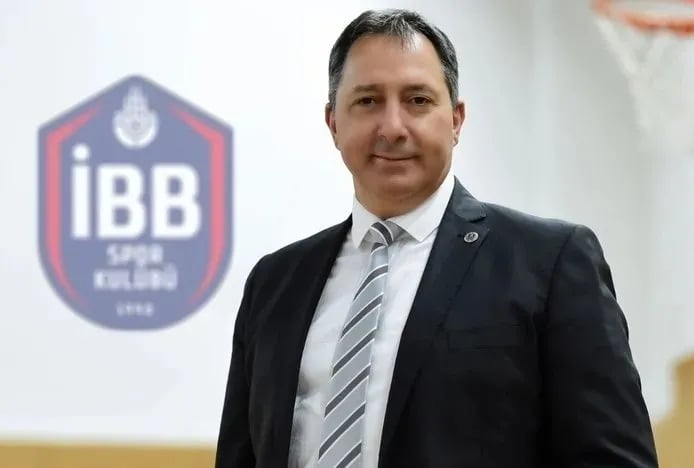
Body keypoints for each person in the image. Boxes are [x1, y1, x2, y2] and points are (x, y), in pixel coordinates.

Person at [215, 8, 659, 468]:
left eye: (418, 100)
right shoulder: (274, 284)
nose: (392, 127)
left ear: (456, 120)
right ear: (333, 123)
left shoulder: (549, 264)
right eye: (367, 101)